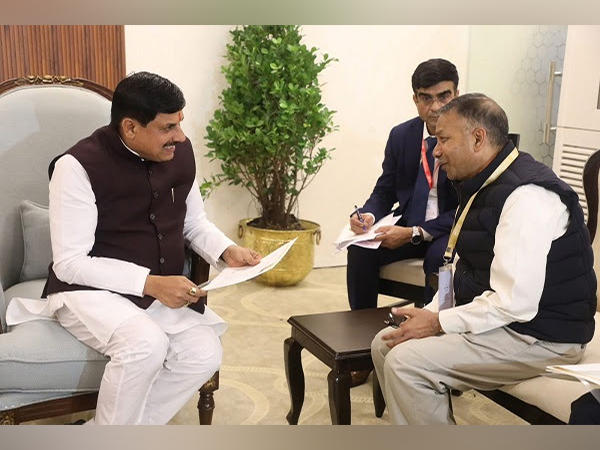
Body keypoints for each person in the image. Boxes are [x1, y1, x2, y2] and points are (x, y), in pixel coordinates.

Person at [9, 72, 261, 425]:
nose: (181, 136)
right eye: (168, 127)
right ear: (130, 127)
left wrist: (226, 251)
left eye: (180, 124)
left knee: (204, 353)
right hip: (87, 293)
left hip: (156, 292)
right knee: (145, 345)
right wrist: (151, 283)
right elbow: (70, 263)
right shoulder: (76, 167)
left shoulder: (181, 152)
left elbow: (193, 223)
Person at [371, 93, 597, 425]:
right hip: (506, 324)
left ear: (478, 138)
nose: (436, 150)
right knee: (386, 342)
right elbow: (460, 267)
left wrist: (438, 323)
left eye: (444, 139)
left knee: (407, 362)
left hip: (543, 336)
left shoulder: (526, 197)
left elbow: (515, 303)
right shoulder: (481, 182)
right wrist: (431, 312)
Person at [347, 58, 460, 387]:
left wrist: (414, 234)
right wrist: (367, 215)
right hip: (407, 223)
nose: (435, 106)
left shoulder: (469, 136)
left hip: (448, 231)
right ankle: (362, 348)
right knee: (361, 248)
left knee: (438, 258)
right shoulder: (402, 136)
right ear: (415, 99)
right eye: (426, 97)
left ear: (457, 92)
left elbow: (472, 206)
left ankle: (432, 358)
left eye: (444, 96)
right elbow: (384, 190)